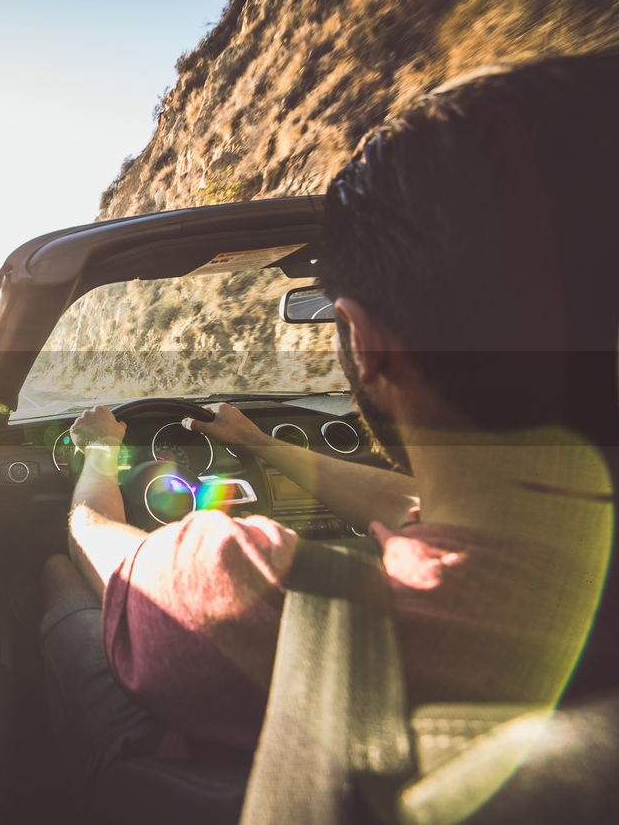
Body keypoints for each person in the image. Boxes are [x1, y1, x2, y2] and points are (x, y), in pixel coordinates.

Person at [41, 53, 619, 815]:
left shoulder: (253, 594)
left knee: (53, 574)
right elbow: (438, 506)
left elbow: (96, 539)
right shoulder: (551, 552)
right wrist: (265, 447)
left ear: (360, 341)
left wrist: (102, 454)